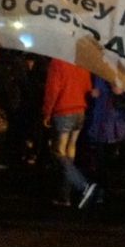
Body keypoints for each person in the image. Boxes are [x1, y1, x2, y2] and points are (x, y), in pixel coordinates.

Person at [42, 58, 98, 209]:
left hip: (63, 110)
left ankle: (82, 184)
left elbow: (53, 89)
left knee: (59, 153)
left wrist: (47, 112)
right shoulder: (81, 63)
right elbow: (87, 87)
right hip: (80, 110)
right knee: (69, 153)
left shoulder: (57, 62)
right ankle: (64, 195)